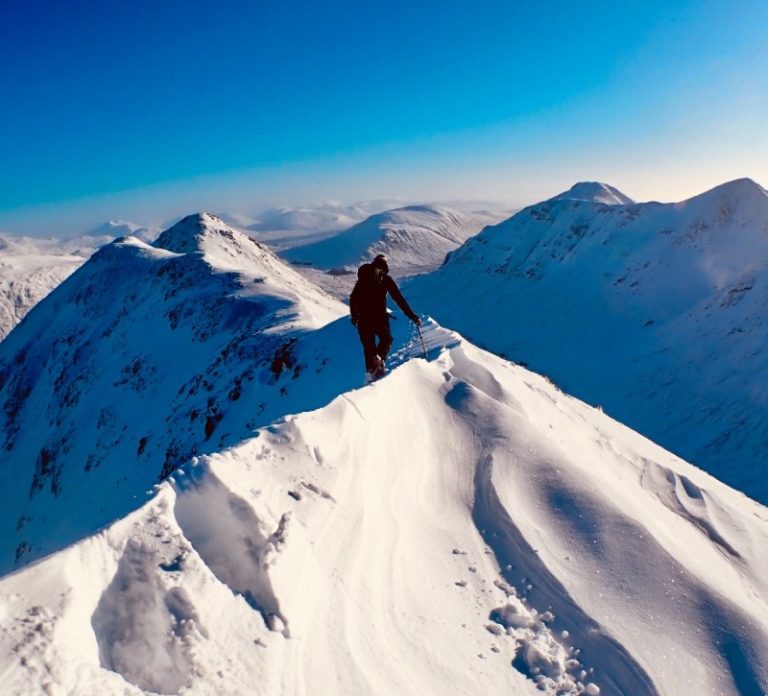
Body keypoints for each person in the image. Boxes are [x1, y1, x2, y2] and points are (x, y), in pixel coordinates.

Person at [349, 254, 420, 379]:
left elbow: (353, 298)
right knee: (387, 340)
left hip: (363, 319)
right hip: (379, 318)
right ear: (385, 265)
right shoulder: (385, 279)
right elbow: (399, 299)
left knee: (368, 349)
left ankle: (371, 376)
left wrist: (355, 317)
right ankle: (379, 359)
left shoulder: (362, 279)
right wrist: (412, 316)